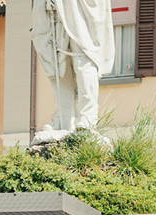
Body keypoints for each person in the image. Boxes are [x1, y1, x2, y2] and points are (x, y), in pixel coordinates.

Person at [31, 0, 114, 134]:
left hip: (81, 9)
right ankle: (62, 119)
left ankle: (88, 118)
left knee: (83, 59)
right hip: (56, 8)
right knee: (57, 62)